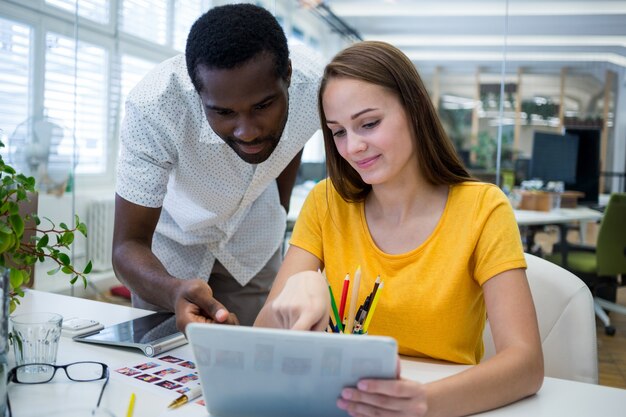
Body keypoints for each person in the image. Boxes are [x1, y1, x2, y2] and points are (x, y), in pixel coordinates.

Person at [254, 41, 543, 416]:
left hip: (442, 404)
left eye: (369, 124)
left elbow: (526, 364)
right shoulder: (328, 202)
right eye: (338, 132)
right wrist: (295, 291)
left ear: (415, 110)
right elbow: (261, 339)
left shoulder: (482, 209)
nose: (353, 147)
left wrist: (424, 402)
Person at [112, 4, 322, 330]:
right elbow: (127, 246)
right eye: (224, 112)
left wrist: (279, 210)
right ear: (198, 94)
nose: (247, 130)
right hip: (171, 250)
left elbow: (298, 133)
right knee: (165, 367)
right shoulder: (154, 108)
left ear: (289, 76)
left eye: (263, 105)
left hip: (254, 242)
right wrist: (172, 291)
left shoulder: (317, 85)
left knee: (257, 355)